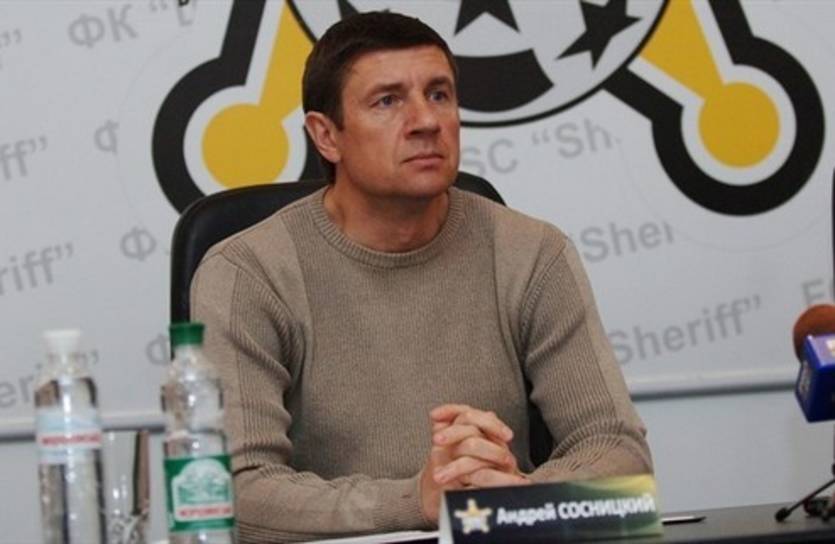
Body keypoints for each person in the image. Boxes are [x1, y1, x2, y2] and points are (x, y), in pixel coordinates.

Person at [191, 10, 652, 543]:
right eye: (388, 101)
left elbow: (619, 450)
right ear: (326, 136)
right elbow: (235, 493)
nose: (426, 121)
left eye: (439, 94)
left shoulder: (532, 253)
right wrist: (419, 500)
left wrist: (513, 498)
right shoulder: (247, 273)